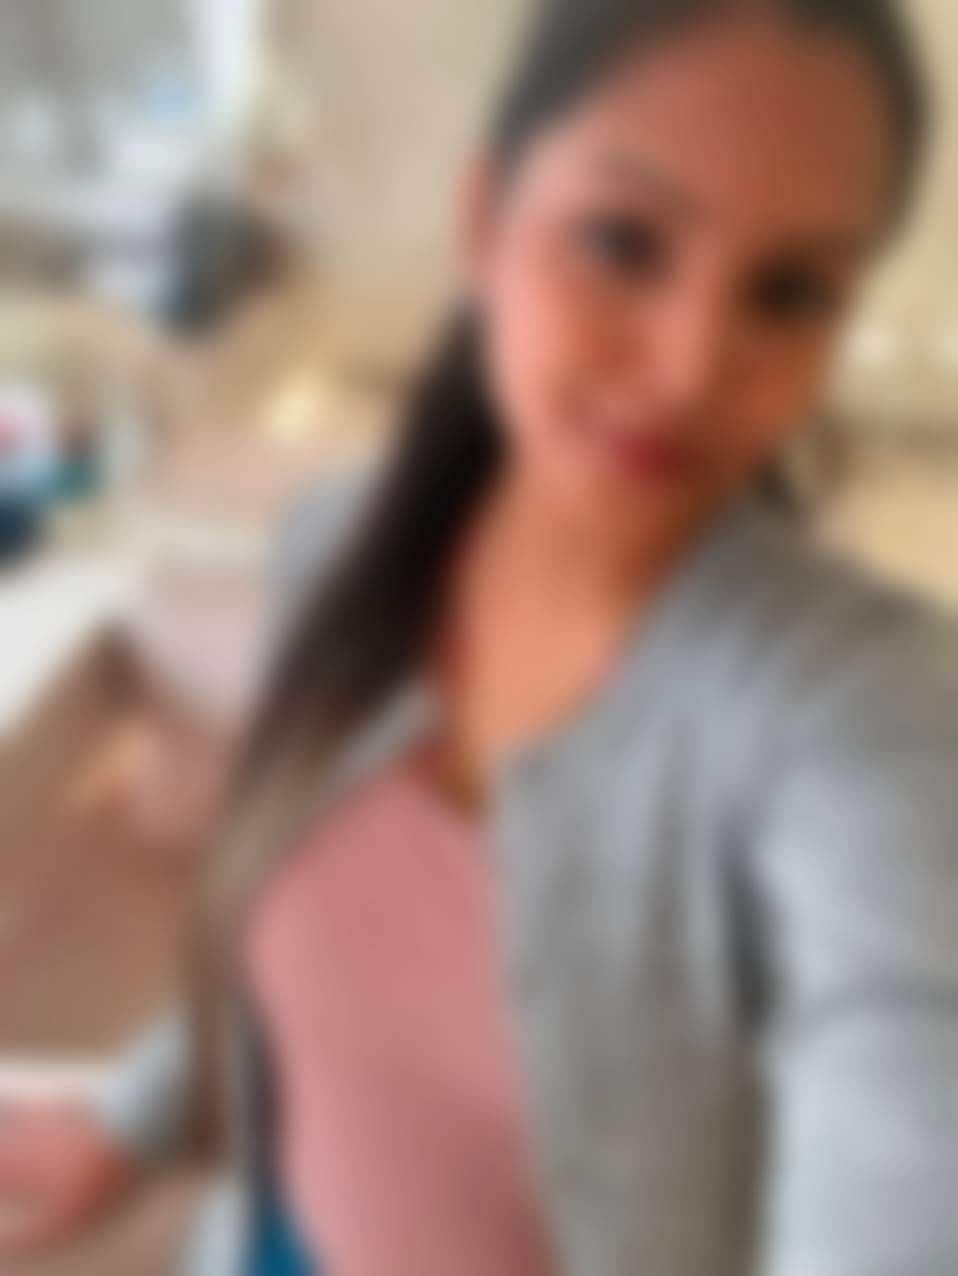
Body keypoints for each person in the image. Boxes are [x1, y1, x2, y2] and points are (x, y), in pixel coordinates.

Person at [4, 1, 958, 1273]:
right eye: (622, 241)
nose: (689, 365)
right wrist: (131, 1119)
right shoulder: (336, 549)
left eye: (788, 291)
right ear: (483, 220)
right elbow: (291, 919)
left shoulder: (865, 716)